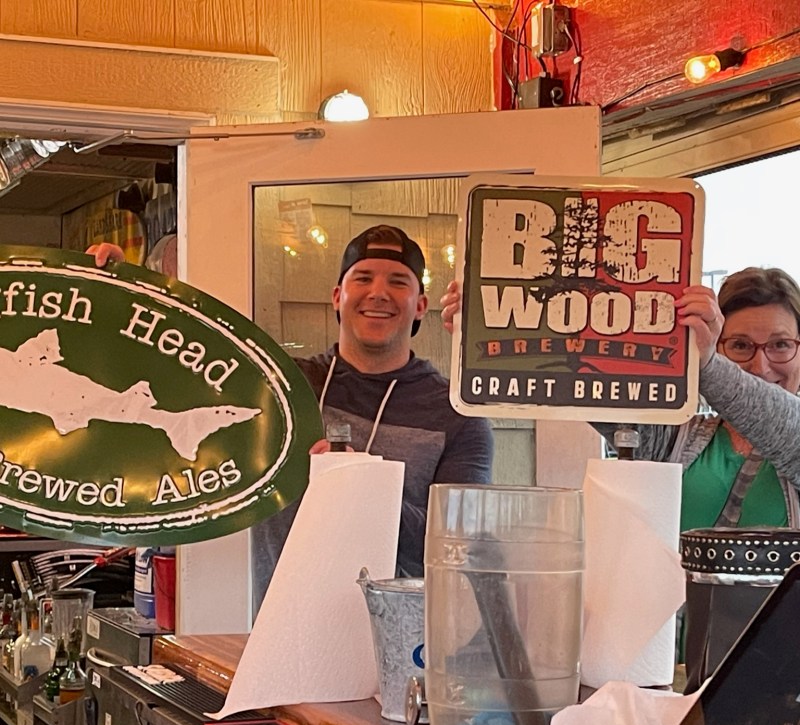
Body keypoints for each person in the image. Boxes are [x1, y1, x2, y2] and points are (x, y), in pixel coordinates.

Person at [93, 230, 495, 610]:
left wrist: (358, 485)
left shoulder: (458, 414)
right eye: (364, 278)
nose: (378, 293)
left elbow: (456, 550)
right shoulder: (281, 385)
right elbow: (166, 376)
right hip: (281, 640)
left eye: (398, 282)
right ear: (337, 296)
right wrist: (122, 294)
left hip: (402, 651)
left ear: (421, 305)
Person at [441, 267, 800, 528]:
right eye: (739, 346)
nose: (759, 365)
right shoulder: (680, 437)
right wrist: (486, 321)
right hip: (676, 634)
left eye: (781, 345)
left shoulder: (792, 434)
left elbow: (782, 425)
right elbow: (589, 385)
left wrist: (703, 362)